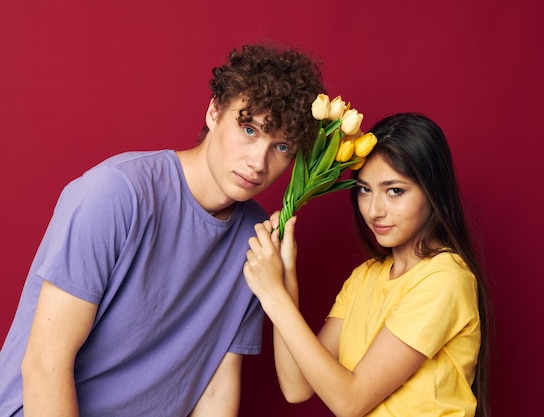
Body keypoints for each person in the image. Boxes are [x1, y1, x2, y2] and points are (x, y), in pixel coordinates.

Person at [0, 43, 325, 416]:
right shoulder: (117, 193)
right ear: (214, 111)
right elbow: (44, 365)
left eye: (281, 146)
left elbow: (217, 388)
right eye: (249, 129)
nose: (258, 162)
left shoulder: (257, 240)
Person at [243, 113, 493, 417]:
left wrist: (272, 295)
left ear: (432, 192)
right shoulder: (364, 278)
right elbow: (297, 386)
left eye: (395, 191)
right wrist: (286, 276)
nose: (374, 210)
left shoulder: (444, 279)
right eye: (364, 189)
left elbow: (350, 402)